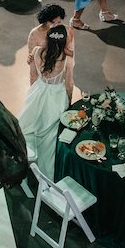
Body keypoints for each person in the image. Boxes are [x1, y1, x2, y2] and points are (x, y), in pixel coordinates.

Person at [17, 24, 74, 177]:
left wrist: (35, 96)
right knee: (50, 139)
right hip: (56, 97)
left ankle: (25, 160)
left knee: (29, 127)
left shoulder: (36, 51)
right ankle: (45, 174)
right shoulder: (67, 60)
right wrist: (68, 103)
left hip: (39, 91)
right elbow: (69, 85)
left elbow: (33, 77)